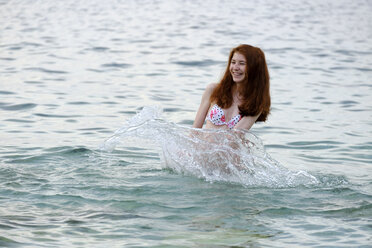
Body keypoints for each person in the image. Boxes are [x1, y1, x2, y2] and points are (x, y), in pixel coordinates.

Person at [193, 44, 271, 130]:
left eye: (242, 63)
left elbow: (235, 136)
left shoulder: (255, 103)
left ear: (254, 68)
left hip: (230, 143)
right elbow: (194, 131)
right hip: (204, 143)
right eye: (233, 62)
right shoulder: (213, 90)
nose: (235, 68)